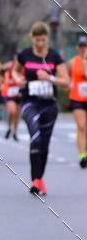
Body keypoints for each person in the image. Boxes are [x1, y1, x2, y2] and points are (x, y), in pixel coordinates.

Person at [13, 21, 69, 196]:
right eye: (37, 40)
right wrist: (17, 79)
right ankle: (35, 180)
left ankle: (39, 179)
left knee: (44, 143)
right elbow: (14, 71)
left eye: (43, 40)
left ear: (47, 40)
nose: (40, 44)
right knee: (35, 137)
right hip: (30, 102)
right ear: (32, 39)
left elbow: (66, 82)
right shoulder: (24, 55)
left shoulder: (54, 57)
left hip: (49, 105)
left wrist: (50, 78)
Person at [68, 35, 87, 168]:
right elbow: (68, 76)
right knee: (81, 126)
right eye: (81, 46)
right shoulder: (73, 61)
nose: (83, 48)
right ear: (77, 47)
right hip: (77, 98)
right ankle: (82, 155)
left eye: (85, 46)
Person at [1, 60, 21, 141]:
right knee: (12, 112)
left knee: (17, 115)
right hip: (10, 95)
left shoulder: (22, 68)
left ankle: (15, 132)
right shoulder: (10, 67)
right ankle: (9, 128)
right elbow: (1, 70)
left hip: (19, 95)